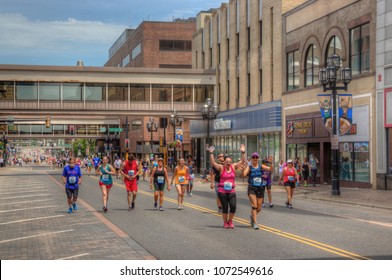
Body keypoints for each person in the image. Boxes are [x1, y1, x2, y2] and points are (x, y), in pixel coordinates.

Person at [209, 144, 246, 229]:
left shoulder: (233, 166)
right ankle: (225, 222)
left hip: (231, 191)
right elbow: (213, 163)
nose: (228, 163)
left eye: (230, 161)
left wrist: (243, 152)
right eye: (227, 162)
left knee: (233, 206)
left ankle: (230, 221)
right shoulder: (221, 168)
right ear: (224, 162)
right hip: (222, 191)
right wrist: (211, 153)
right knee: (225, 207)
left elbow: (242, 161)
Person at [243, 153, 273, 230]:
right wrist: (245, 167)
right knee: (254, 205)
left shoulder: (261, 166)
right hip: (252, 188)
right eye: (253, 157)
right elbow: (244, 174)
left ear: (258, 158)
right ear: (252, 159)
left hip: (260, 188)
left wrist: (271, 163)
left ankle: (253, 216)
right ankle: (255, 223)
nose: (255, 159)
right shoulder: (249, 167)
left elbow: (270, 169)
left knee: (259, 208)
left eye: (256, 157)